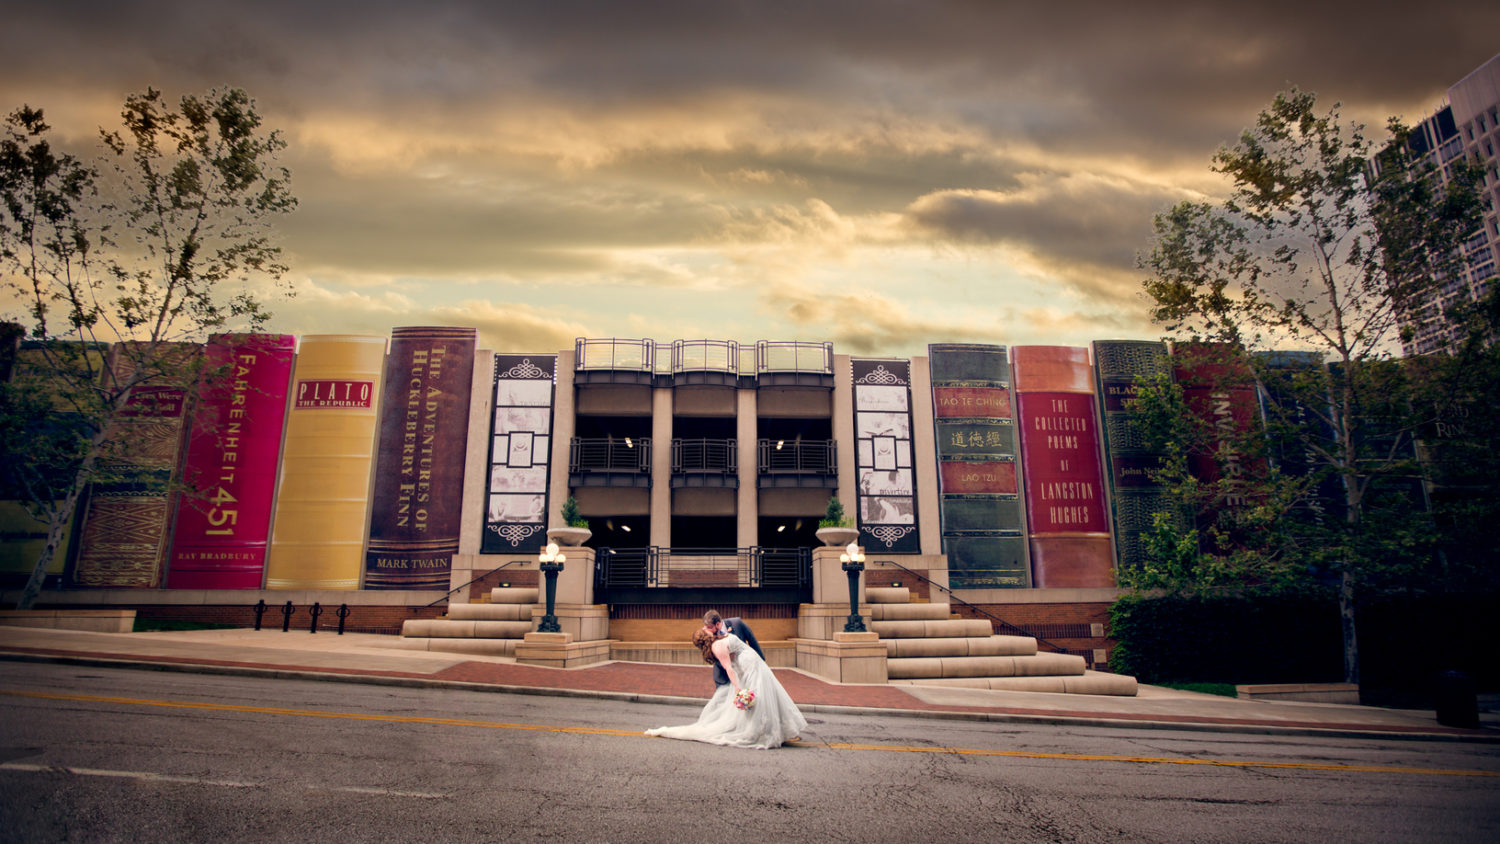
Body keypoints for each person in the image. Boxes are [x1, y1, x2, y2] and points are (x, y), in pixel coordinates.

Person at [645, 610, 806, 749]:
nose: (706, 629)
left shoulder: (732, 626)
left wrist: (761, 660)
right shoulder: (715, 644)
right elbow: (728, 666)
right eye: (705, 629)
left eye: (708, 627)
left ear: (717, 623)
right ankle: (760, 731)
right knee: (756, 700)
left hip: (753, 665)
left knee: (767, 696)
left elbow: (752, 640)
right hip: (741, 669)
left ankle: (774, 728)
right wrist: (737, 688)